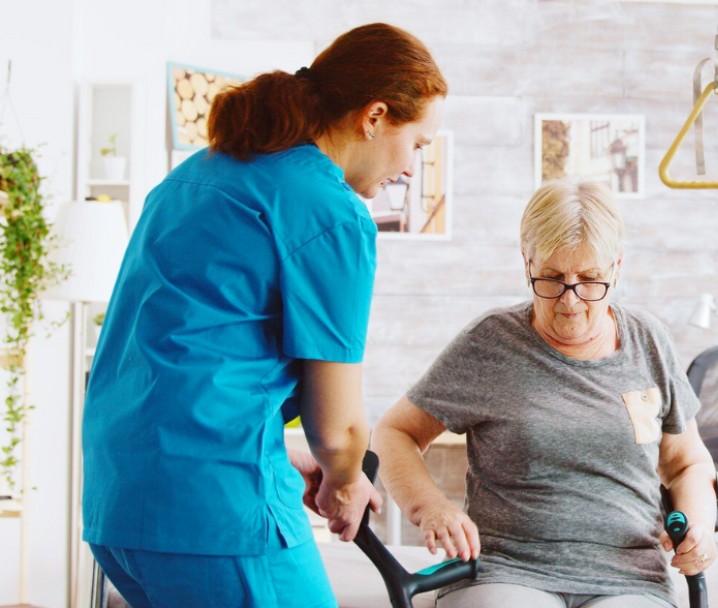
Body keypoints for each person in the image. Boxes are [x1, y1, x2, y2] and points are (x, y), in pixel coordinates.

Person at [81, 23, 446, 607]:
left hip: (120, 504)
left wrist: (281, 450)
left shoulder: (194, 176)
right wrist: (346, 480)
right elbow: (339, 428)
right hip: (216, 509)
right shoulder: (329, 210)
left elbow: (180, 356)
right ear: (374, 116)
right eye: (419, 145)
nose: (410, 168)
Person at [374, 179, 718, 608]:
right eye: (552, 278)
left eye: (590, 279)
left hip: (629, 577)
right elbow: (393, 433)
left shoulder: (649, 341)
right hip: (506, 568)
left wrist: (700, 524)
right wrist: (430, 507)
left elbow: (687, 462)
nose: (570, 301)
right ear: (526, 262)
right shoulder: (490, 343)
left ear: (617, 266)